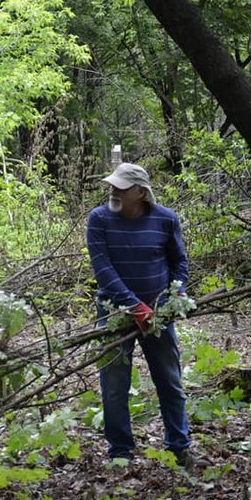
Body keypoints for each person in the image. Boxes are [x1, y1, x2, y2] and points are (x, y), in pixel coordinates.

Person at [86, 163, 196, 467]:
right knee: (114, 385)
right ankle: (120, 452)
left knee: (169, 380)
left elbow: (180, 262)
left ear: (141, 192)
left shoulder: (166, 219)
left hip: (159, 315)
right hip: (114, 314)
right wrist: (135, 307)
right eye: (112, 185)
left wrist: (177, 293)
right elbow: (103, 270)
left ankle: (179, 446)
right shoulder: (99, 219)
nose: (113, 191)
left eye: (121, 187)